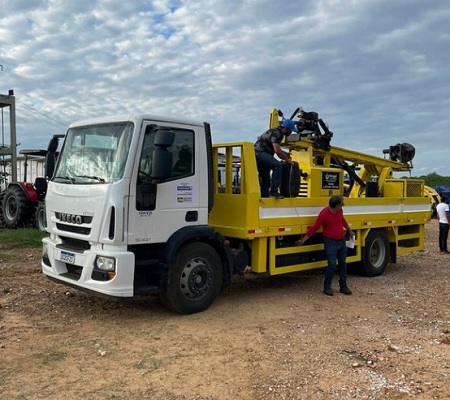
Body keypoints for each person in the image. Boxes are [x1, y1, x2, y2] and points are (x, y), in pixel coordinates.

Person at [295, 195, 355, 296]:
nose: (342, 207)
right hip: (330, 242)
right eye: (341, 205)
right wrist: (303, 240)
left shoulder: (339, 211)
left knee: (342, 264)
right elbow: (314, 228)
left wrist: (349, 230)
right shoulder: (324, 214)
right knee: (331, 265)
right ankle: (327, 287)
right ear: (336, 205)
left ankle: (343, 286)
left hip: (341, 241)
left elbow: (342, 220)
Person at [254, 119, 298, 199]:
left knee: (265, 176)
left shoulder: (275, 131)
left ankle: (264, 195)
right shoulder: (277, 134)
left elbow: (276, 149)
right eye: (290, 131)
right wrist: (287, 160)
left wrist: (285, 154)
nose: (290, 133)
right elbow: (277, 151)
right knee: (278, 165)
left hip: (259, 153)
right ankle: (273, 192)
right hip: (261, 153)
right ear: (285, 129)